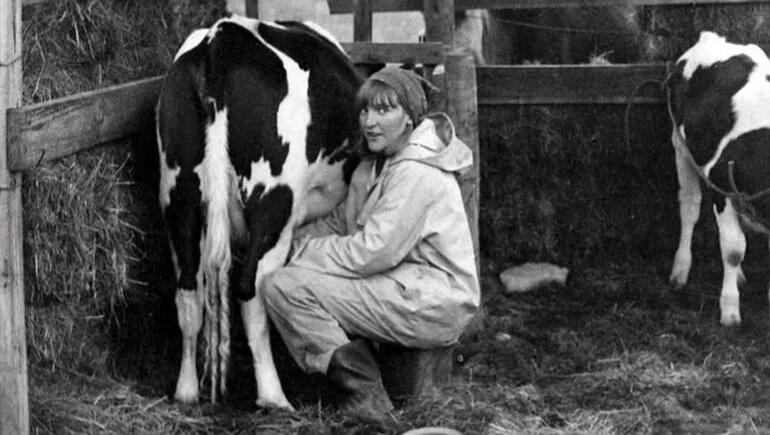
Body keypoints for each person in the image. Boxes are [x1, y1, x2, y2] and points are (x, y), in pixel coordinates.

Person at [262, 66, 480, 421]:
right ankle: (364, 388)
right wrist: (284, 242)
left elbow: (370, 252)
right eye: (365, 111)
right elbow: (339, 225)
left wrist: (298, 253)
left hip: (434, 299)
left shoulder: (418, 172)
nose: (370, 121)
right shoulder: (373, 167)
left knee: (285, 287)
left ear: (409, 119)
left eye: (384, 110)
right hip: (402, 285)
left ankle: (367, 398)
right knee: (287, 278)